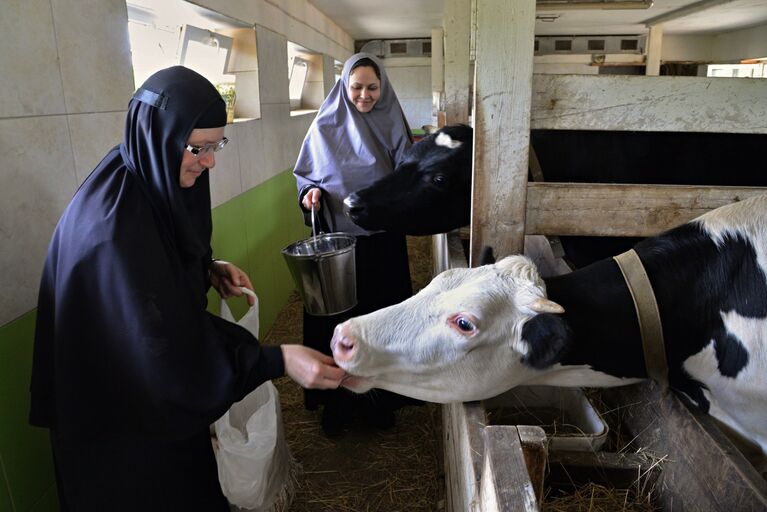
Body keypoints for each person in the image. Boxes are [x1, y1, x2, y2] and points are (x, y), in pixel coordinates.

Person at [29, 66, 345, 511]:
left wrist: (205, 267)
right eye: (197, 148)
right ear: (159, 137)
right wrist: (275, 358)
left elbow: (157, 271)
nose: (210, 161)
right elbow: (161, 346)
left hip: (148, 407)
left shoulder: (135, 172)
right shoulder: (112, 233)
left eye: (216, 145)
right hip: (121, 429)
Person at [293, 53, 421, 437]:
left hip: (382, 241)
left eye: (371, 87)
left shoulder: (393, 121)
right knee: (338, 322)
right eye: (356, 86)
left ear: (382, 89)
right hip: (339, 246)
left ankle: (380, 399)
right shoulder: (324, 124)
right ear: (344, 86)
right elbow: (305, 176)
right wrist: (310, 194)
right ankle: (337, 402)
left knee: (381, 317)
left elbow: (409, 172)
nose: (363, 95)